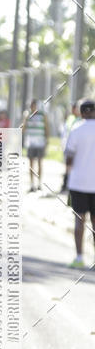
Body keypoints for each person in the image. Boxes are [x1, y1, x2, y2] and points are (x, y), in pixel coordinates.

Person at [64, 98, 95, 269]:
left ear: (81, 112)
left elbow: (69, 157)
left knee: (79, 221)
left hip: (78, 183)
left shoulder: (76, 129)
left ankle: (79, 257)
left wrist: (68, 176)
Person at [22, 99, 49, 192]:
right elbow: (23, 128)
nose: (32, 107)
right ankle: (31, 184)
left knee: (40, 163)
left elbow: (47, 128)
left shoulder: (42, 115)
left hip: (40, 142)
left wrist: (47, 141)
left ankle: (39, 184)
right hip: (30, 143)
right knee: (31, 164)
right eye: (31, 105)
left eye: (33, 105)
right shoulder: (27, 114)